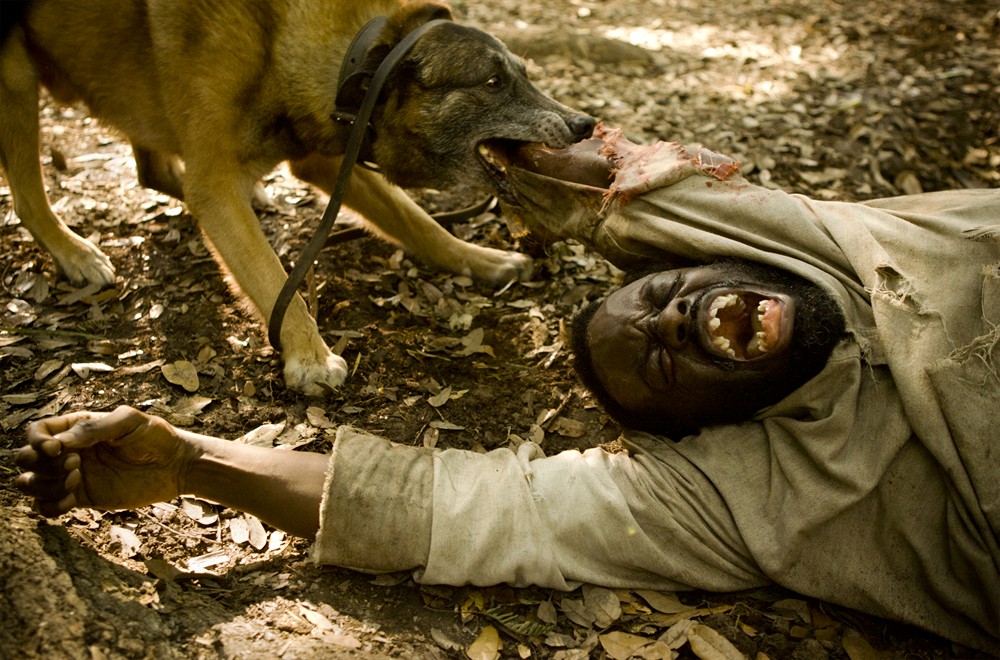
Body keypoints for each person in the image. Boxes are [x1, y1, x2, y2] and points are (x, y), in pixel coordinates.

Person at [16, 126, 1000, 653]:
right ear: (720, 424)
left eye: (657, 295)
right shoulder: (755, 494)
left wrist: (540, 167)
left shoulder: (800, 247)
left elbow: (607, 174)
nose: (669, 317)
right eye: (663, 359)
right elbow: (462, 506)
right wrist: (196, 461)